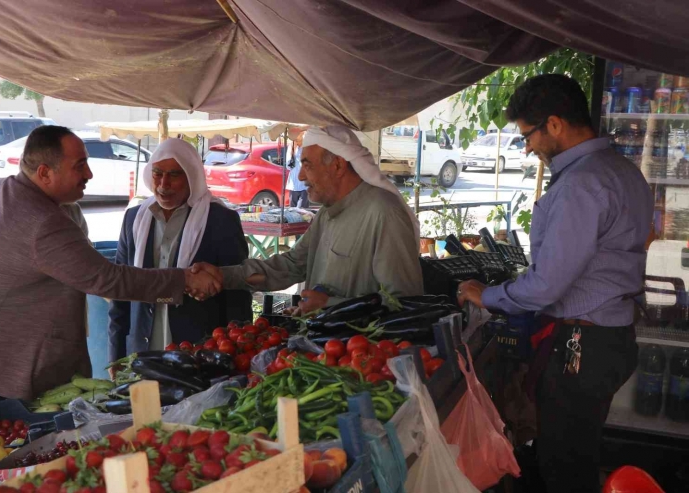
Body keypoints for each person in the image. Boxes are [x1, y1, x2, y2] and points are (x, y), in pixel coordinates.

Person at [457, 74, 652, 493]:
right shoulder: (623, 170)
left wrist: (486, 295)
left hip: (582, 346)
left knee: (564, 466)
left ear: (556, 124)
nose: (527, 147)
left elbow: (546, 285)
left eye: (528, 135)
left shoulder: (582, 184)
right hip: (612, 337)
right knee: (576, 453)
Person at [0, 125, 220, 421]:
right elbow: (108, 279)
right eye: (79, 165)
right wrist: (185, 279)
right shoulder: (41, 222)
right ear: (44, 173)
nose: (89, 174)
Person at [203, 125, 423, 314]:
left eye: (307, 165)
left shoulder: (383, 212)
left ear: (337, 165)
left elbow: (405, 304)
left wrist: (330, 306)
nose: (300, 176)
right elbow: (291, 265)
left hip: (361, 357)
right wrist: (223, 275)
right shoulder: (327, 213)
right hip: (324, 351)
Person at [108, 138, 251, 369]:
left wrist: (238, 357)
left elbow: (237, 296)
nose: (164, 184)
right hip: (142, 348)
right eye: (157, 173)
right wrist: (116, 356)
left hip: (200, 353)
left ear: (192, 176)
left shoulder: (220, 220)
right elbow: (120, 290)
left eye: (175, 175)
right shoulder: (134, 219)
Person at [287, 131, 309, 207]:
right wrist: (292, 155)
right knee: (292, 210)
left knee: (302, 209)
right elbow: (288, 166)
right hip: (293, 184)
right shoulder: (292, 147)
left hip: (304, 185)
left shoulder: (306, 147)